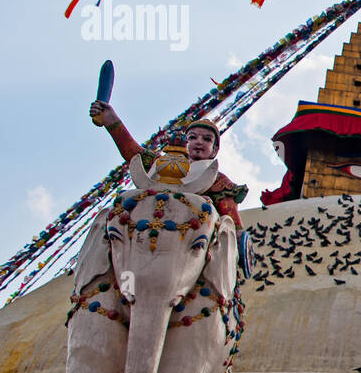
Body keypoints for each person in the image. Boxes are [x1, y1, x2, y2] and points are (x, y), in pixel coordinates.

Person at [91, 100, 251, 276]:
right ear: (185, 143)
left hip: (191, 245)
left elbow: (230, 214)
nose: (199, 142)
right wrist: (111, 120)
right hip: (143, 234)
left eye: (207, 139)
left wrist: (238, 236)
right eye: (193, 137)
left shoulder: (217, 179)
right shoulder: (161, 165)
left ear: (214, 151)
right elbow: (132, 151)